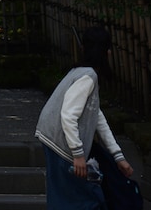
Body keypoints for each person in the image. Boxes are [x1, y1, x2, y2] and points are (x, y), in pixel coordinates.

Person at [35, 25, 134, 209]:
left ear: (84, 49)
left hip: (54, 139)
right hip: (61, 144)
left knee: (66, 197)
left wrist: (118, 156)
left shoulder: (79, 73)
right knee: (84, 200)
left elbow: (96, 116)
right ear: (107, 52)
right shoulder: (88, 76)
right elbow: (68, 115)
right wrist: (78, 154)